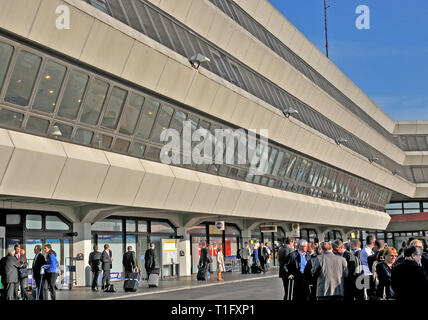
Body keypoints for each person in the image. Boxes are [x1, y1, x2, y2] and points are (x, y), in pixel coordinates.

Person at [361, 234, 376, 299]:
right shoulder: (366, 251)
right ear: (373, 242)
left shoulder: (368, 250)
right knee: (369, 294)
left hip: (368, 274)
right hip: (368, 274)